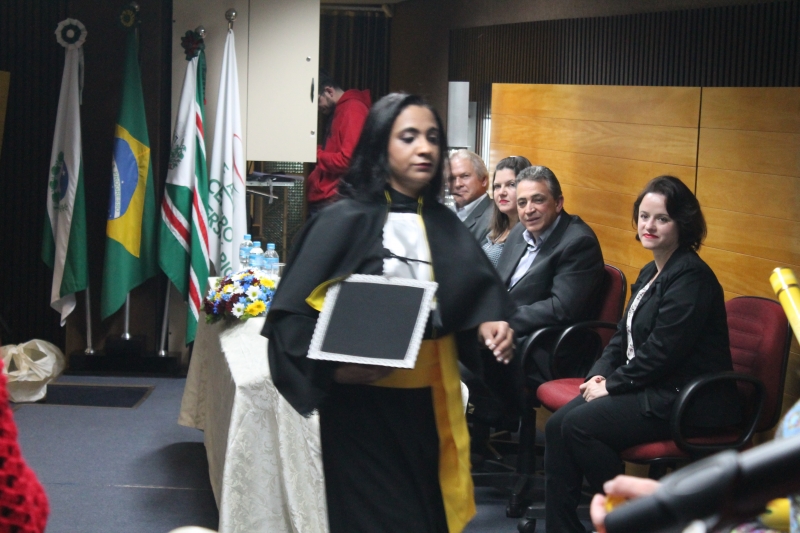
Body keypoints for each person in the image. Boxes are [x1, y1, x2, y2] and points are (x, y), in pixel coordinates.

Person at [263, 93, 516, 533]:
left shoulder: (445, 224)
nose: (425, 148)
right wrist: (333, 370)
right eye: (409, 137)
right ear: (380, 144)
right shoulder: (340, 220)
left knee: (427, 519)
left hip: (430, 408)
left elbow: (473, 298)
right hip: (362, 409)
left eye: (432, 137)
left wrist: (488, 325)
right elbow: (290, 320)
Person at [544, 175, 741, 533]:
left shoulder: (692, 278)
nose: (648, 225)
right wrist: (599, 374)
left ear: (682, 224)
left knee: (578, 428)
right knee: (558, 425)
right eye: (644, 216)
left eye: (662, 218)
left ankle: (634, 522)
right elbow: (622, 335)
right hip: (649, 385)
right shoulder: (652, 270)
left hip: (683, 396)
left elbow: (663, 353)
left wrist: (612, 386)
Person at [495, 165, 605, 386]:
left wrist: (504, 319)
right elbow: (498, 284)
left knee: (468, 357)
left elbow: (561, 308)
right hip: (513, 331)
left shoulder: (578, 242)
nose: (528, 210)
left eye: (538, 200)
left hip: (546, 345)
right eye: (522, 202)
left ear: (558, 202)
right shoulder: (520, 231)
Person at [306, 70, 372, 218]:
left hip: (334, 201)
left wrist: (315, 154)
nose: (317, 108)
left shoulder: (353, 109)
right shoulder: (343, 109)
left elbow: (348, 160)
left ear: (329, 91)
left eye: (318, 101)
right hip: (329, 199)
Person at [481, 155, 531, 267]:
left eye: (511, 185)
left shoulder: (530, 236)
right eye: (497, 186)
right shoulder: (496, 230)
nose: (501, 192)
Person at [448, 150, 492, 243]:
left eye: (465, 176)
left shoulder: (497, 217)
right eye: (452, 178)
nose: (457, 184)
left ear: (483, 180)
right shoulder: (443, 215)